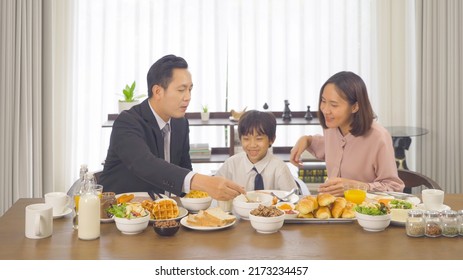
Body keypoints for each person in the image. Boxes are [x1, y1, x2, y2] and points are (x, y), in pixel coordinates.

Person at [99, 54, 245, 200]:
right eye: (181, 90)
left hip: (163, 213)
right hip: (118, 214)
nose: (188, 97)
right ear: (158, 92)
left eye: (190, 89)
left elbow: (184, 168)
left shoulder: (180, 123)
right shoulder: (127, 122)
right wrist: (205, 182)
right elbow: (145, 164)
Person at [290, 71, 404, 196]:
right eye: (323, 101)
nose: (325, 110)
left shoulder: (379, 137)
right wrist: (306, 140)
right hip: (335, 210)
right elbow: (335, 149)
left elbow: (394, 187)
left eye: (334, 104)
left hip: (365, 212)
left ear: (355, 107)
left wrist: (358, 187)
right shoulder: (332, 127)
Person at [215, 110, 298, 192]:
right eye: (246, 139)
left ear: (271, 139)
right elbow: (214, 188)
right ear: (240, 139)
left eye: (259, 139)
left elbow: (293, 198)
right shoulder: (231, 164)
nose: (252, 145)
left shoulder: (280, 168)